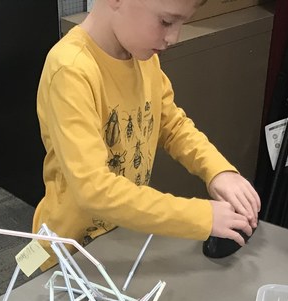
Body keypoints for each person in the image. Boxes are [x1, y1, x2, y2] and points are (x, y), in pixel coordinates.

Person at [34, 0, 261, 255]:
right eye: (165, 22)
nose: (174, 37)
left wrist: (218, 171)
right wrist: (199, 216)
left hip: (121, 234)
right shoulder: (70, 70)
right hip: (68, 249)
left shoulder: (142, 55)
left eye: (180, 23)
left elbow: (172, 125)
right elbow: (94, 190)